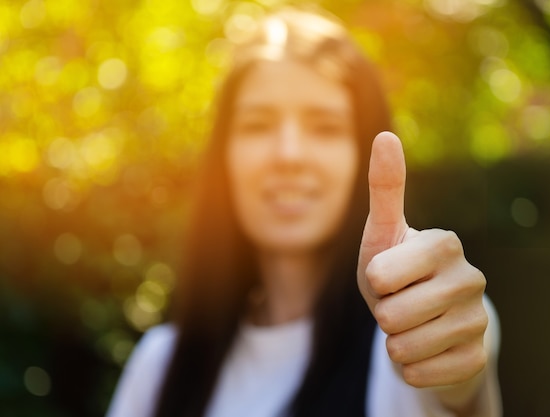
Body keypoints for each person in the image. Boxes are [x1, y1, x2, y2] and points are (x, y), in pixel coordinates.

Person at [106, 7, 501, 417]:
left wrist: (458, 359)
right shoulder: (158, 366)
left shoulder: (405, 338)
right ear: (223, 158)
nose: (288, 155)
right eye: (258, 125)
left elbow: (458, 377)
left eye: (325, 127)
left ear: (361, 155)